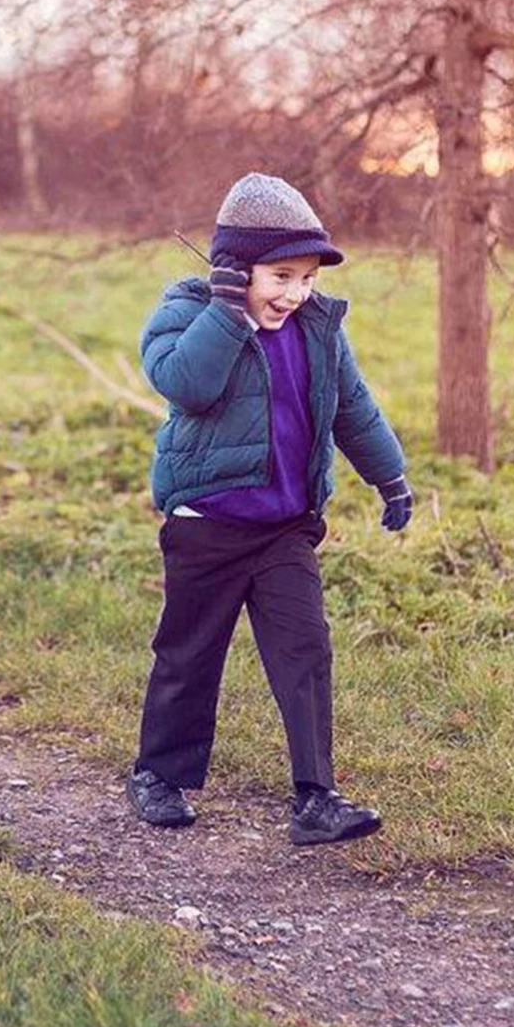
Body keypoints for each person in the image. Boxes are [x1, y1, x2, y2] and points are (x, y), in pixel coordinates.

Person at [126, 173, 414, 845]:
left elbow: (351, 406)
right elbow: (187, 385)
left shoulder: (317, 326)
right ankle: (158, 775)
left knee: (305, 650)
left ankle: (317, 798)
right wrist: (225, 315)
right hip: (208, 527)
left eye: (307, 278)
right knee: (189, 654)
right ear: (234, 269)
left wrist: (390, 476)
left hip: (284, 528)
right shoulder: (184, 313)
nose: (295, 293)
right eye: (281, 276)